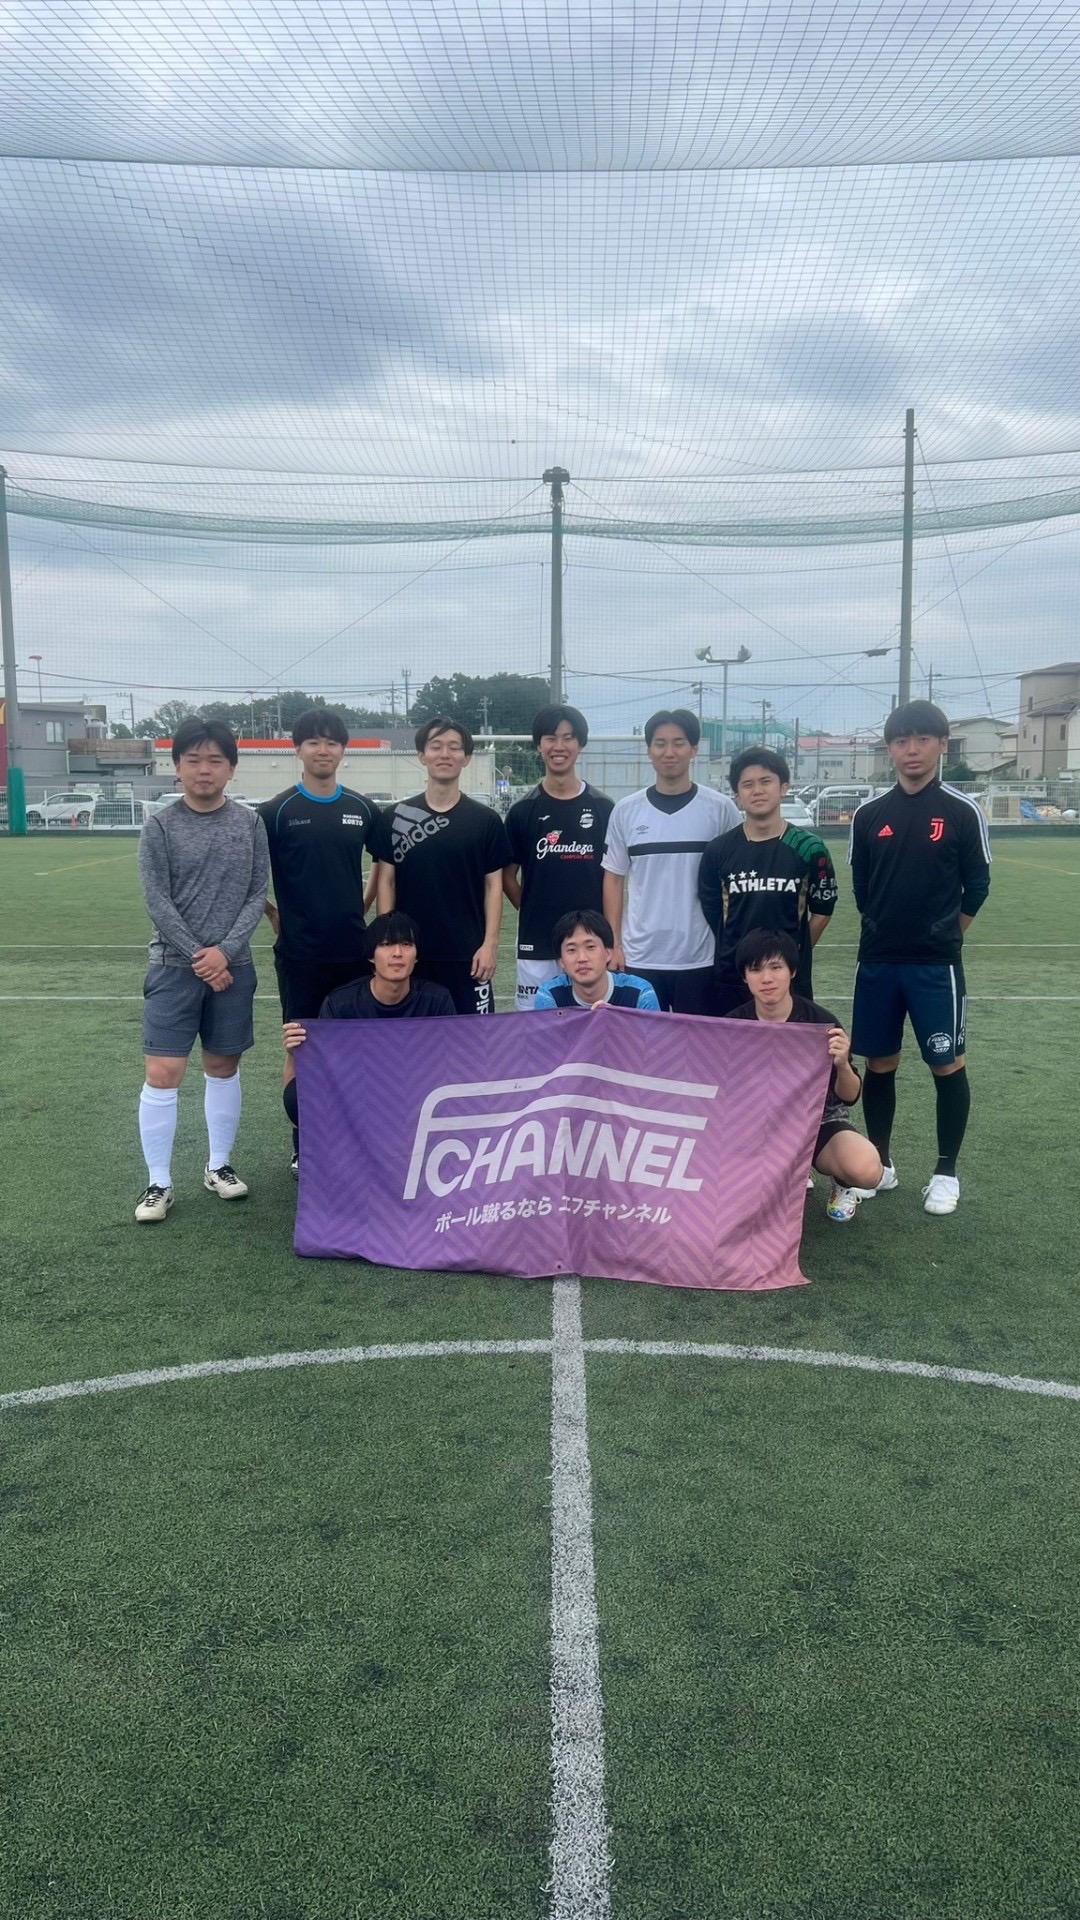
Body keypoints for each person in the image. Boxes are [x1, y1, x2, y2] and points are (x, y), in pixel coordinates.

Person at [848, 699, 991, 1215]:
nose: (912, 749)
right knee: (879, 1062)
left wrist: (946, 934)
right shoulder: (869, 815)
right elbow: (863, 888)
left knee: (946, 1063)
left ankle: (945, 1173)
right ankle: (880, 1165)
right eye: (902, 740)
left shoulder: (961, 811)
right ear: (890, 748)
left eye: (923, 739)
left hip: (936, 967)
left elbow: (978, 885)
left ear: (942, 745)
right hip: (879, 961)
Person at [134, 718, 269, 1222]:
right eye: (193, 760)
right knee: (163, 1073)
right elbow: (157, 900)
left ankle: (219, 1166)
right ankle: (159, 1182)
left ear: (231, 769)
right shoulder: (160, 826)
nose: (204, 770)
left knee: (223, 1067)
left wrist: (225, 952)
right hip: (173, 968)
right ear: (177, 767)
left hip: (233, 968)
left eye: (215, 760)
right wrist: (201, 956)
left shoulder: (249, 824)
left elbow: (257, 893)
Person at [259, 709, 394, 1174]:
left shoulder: (363, 809)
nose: (323, 750)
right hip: (300, 954)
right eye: (313, 742)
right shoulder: (276, 812)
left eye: (332, 742)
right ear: (297, 749)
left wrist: (365, 908)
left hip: (353, 952)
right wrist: (273, 913)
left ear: (343, 750)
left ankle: (353, 1137)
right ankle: (304, 1143)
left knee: (355, 1048)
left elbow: (384, 864)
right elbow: (249, 872)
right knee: (300, 1046)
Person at [724, 929, 882, 1222]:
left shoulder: (820, 1023)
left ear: (793, 971)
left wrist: (842, 1064)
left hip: (813, 1121)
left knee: (867, 1169)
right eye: (755, 969)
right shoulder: (732, 1025)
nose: (766, 978)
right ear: (745, 977)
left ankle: (841, 1183)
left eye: (776, 967)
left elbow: (849, 1096)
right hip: (753, 1125)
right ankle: (779, 1174)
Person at [602, 707, 741, 1013]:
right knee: (642, 1042)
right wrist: (615, 945)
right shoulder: (626, 810)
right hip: (640, 956)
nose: (669, 752)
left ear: (694, 749)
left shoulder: (720, 809)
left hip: (701, 957)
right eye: (660, 743)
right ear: (649, 750)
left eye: (678, 743)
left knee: (698, 1042)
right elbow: (613, 878)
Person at [282, 913, 456, 1157]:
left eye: (406, 944)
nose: (397, 953)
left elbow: (449, 1064)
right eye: (386, 944)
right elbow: (324, 1070)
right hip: (360, 1098)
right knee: (297, 1095)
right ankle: (313, 1154)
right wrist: (294, 1053)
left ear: (417, 955)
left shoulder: (436, 1000)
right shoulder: (341, 1004)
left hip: (417, 1096)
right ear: (371, 955)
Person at [381, 718, 511, 1015]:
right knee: (412, 1038)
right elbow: (386, 882)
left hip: (468, 956)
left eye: (454, 747)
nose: (445, 754)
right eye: (436, 746)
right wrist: (389, 945)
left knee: (476, 1039)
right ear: (421, 755)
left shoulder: (486, 821)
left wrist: (489, 945)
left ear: (466, 758)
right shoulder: (394, 817)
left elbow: (494, 886)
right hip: (411, 955)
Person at [698, 746, 837, 1015]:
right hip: (733, 976)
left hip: (789, 979)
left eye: (765, 781)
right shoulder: (718, 850)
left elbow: (822, 911)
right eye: (747, 784)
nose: (757, 790)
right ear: (737, 795)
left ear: (783, 788)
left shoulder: (809, 848)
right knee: (733, 1041)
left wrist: (791, 953)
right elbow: (713, 911)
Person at [503, 704, 614, 1009]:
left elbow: (614, 878)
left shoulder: (604, 808)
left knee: (593, 1024)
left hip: (590, 945)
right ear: (539, 745)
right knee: (536, 1027)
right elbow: (506, 876)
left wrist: (610, 937)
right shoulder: (523, 811)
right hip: (537, 943)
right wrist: (532, 906)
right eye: (551, 738)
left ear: (580, 744)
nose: (559, 746)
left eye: (568, 737)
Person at [533, 909, 662, 1010]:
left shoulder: (639, 994)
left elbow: (653, 1037)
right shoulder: (550, 996)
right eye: (571, 950)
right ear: (562, 961)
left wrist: (617, 1021)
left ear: (608, 954)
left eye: (590, 947)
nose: (582, 958)